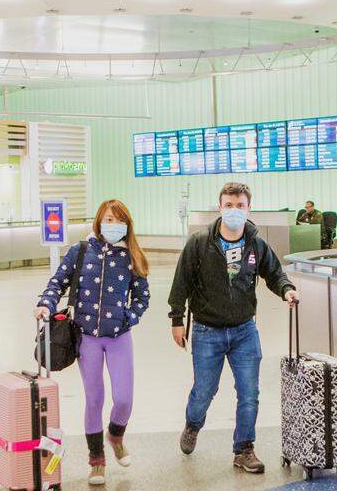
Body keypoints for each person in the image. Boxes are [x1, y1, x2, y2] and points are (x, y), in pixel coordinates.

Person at [169, 182, 299, 475]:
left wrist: (286, 289)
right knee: (204, 391)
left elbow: (274, 273)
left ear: (249, 208)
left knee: (249, 393)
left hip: (244, 330)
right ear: (220, 207)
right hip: (207, 330)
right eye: (229, 205)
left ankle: (244, 449)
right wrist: (177, 319)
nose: (234, 211)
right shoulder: (199, 243)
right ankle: (193, 424)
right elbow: (181, 282)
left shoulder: (256, 244)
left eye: (240, 205)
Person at [34, 200, 150, 486]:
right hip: (87, 337)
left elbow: (142, 297)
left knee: (124, 399)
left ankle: (116, 436)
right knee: (94, 398)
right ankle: (96, 461)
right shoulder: (81, 251)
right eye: (108, 219)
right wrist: (46, 304)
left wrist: (128, 317)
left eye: (119, 220)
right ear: (99, 221)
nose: (113, 225)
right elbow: (58, 282)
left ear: (127, 225)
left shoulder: (132, 256)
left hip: (119, 337)